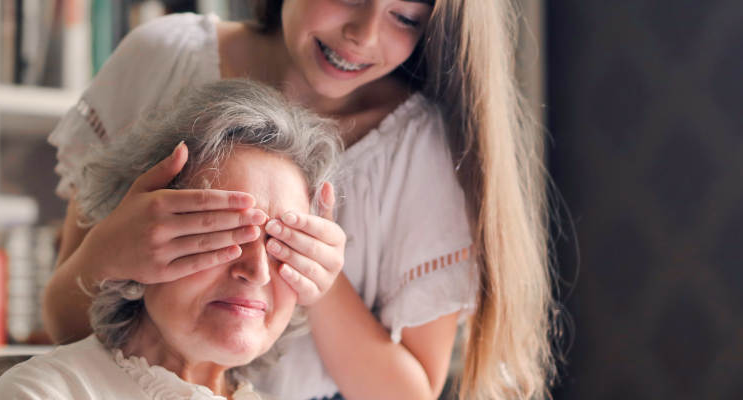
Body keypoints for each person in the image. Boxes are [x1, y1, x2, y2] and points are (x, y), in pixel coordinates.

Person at [42, 1, 553, 399]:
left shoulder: (423, 152)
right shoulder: (162, 59)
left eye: (405, 17)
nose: (363, 34)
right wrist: (109, 252)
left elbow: (410, 390)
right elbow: (64, 322)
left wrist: (313, 274)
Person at [0, 79, 341, 400]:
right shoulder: (43, 393)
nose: (257, 270)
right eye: (220, 231)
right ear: (141, 236)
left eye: (286, 244)